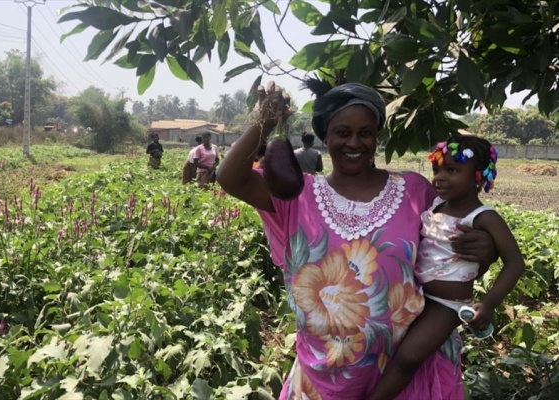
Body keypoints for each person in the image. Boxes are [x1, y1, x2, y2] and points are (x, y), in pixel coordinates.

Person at [216, 80, 496, 399]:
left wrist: (484, 251)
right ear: (325, 136)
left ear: (376, 136)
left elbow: (450, 257)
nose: (355, 142)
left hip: (402, 378)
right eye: (343, 132)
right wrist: (265, 121)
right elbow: (230, 177)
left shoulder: (415, 192)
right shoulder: (295, 195)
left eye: (365, 133)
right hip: (322, 379)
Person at [367, 135, 525, 400]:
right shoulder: (437, 206)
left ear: (478, 176)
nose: (440, 177)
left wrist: (488, 303)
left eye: (452, 171)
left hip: (447, 304)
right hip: (417, 296)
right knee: (388, 348)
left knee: (408, 357)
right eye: (437, 170)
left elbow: (515, 262)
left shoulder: (484, 217)